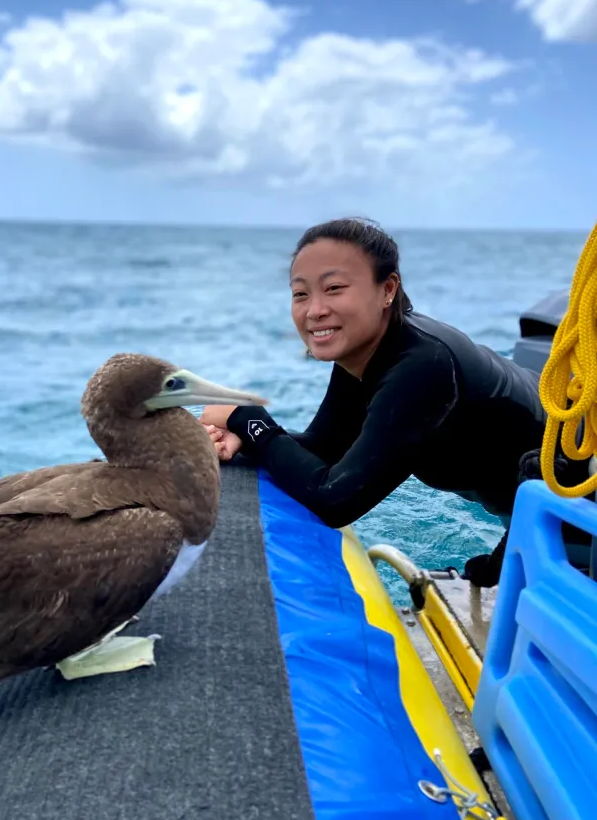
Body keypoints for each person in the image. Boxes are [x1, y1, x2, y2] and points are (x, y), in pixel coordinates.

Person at [200, 218, 587, 586]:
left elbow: (335, 501)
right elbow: (325, 450)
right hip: (532, 508)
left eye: (334, 288)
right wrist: (247, 437)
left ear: (387, 289)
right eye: (301, 293)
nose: (314, 310)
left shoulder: (423, 366)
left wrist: (251, 419)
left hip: (582, 497)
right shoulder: (367, 353)